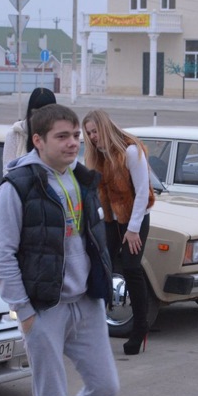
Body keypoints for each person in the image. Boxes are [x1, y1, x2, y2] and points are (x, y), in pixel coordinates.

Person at [0, 103, 119, 396]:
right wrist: (24, 314)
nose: (74, 143)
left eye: (77, 135)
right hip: (44, 309)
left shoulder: (81, 179)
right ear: (38, 140)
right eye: (63, 136)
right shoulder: (17, 187)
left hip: (86, 303)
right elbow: (2, 257)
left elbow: (90, 241)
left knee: (105, 387)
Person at [82, 109, 155, 355]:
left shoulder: (130, 151)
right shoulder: (96, 155)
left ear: (105, 127)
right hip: (111, 220)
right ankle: (96, 327)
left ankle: (140, 327)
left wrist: (133, 229)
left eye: (95, 131)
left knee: (132, 267)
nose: (92, 137)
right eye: (89, 133)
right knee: (103, 266)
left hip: (135, 218)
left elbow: (143, 192)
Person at [3, 87, 57, 171]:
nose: (42, 117)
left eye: (47, 113)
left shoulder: (59, 134)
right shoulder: (15, 134)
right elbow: (7, 170)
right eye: (38, 112)